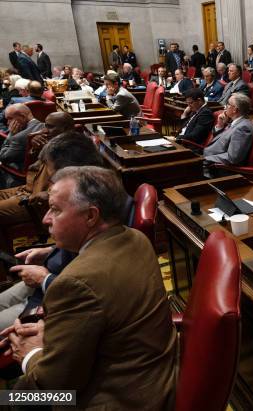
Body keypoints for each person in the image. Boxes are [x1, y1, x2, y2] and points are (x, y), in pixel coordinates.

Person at [1, 166, 176, 409]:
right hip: (151, 379)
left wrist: (29, 354)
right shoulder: (136, 238)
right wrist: (51, 332)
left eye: (55, 210)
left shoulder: (76, 283)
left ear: (91, 216)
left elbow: (55, 388)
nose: (45, 219)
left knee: (10, 398)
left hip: (112, 400)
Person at [0, 131, 103, 329]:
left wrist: (45, 279)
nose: (46, 219)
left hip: (56, 299)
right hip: (51, 275)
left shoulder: (94, 204)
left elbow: (88, 293)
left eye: (55, 210)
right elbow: (80, 248)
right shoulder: (84, 192)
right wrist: (50, 250)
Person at [0, 112, 75, 250]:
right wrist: (35, 149)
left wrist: (49, 195)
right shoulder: (52, 143)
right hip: (25, 189)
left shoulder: (72, 150)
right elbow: (34, 168)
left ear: (66, 129)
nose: (45, 130)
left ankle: (6, 263)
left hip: (34, 200)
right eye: (45, 125)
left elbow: (72, 183)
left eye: (50, 127)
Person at [203, 93, 253, 175]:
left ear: (235, 110)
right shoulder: (236, 122)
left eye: (228, 104)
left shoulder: (243, 128)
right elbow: (220, 141)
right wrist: (220, 125)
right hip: (208, 159)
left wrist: (206, 159)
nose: (225, 107)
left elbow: (232, 158)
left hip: (215, 169)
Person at [0, 104, 44, 188]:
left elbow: (3, 157)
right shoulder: (44, 125)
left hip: (21, 173)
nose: (8, 123)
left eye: (10, 119)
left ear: (23, 117)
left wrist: (11, 134)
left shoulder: (19, 137)